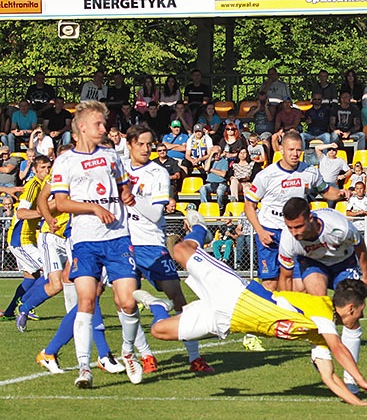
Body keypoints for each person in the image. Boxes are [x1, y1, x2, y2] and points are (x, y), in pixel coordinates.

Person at [147, 213, 367, 405]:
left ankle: (157, 305)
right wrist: (361, 380)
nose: (361, 316)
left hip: (227, 321)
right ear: (349, 307)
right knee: (179, 250)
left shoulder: (322, 334)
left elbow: (329, 377)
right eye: (360, 311)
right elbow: (339, 348)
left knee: (159, 330)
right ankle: (200, 229)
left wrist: (357, 402)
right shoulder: (322, 310)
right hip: (233, 292)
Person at [49, 100, 143, 388]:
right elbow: (61, 203)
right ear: (82, 127)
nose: (104, 129)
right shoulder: (65, 161)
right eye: (99, 124)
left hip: (117, 237)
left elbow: (123, 184)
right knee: (86, 300)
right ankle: (84, 368)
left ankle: (127, 351)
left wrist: (127, 194)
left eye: (105, 124)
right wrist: (93, 208)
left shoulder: (111, 155)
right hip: (86, 240)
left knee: (128, 301)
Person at [122, 124, 214, 373]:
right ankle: (145, 355)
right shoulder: (118, 168)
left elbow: (154, 213)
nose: (146, 149)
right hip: (123, 243)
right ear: (129, 144)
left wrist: (131, 195)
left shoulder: (157, 172)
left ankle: (194, 357)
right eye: (140, 144)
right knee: (126, 303)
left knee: (178, 298)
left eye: (149, 144)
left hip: (151, 244)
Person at [277, 197, 367, 394]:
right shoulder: (288, 240)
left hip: (344, 263)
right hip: (313, 264)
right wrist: (285, 308)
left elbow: (360, 247)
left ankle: (350, 380)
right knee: (319, 308)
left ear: (310, 218)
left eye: (298, 226)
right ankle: (320, 352)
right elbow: (286, 277)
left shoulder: (339, 227)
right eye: (290, 227)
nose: (294, 233)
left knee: (351, 317)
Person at [243, 130, 344, 291]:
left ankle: (292, 314)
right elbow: (249, 205)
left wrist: (340, 193)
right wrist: (260, 231)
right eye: (291, 149)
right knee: (271, 283)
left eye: (298, 150)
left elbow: (325, 191)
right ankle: (272, 315)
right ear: (281, 149)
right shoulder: (266, 175)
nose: (295, 154)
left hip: (294, 233)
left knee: (299, 285)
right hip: (270, 231)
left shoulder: (310, 172)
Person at [6, 155, 52, 328]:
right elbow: (21, 213)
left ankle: (10, 311)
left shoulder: (44, 185)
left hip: (28, 238)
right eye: (43, 168)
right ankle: (24, 304)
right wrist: (44, 213)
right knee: (49, 271)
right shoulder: (33, 186)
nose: (47, 171)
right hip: (20, 240)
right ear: (34, 170)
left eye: (49, 167)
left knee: (31, 276)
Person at [199, 146, 230, 211]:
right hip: (210, 183)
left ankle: (220, 208)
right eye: (214, 153)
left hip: (221, 183)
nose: (216, 155)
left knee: (220, 191)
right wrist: (211, 155)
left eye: (217, 153)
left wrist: (211, 169)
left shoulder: (224, 162)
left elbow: (223, 174)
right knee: (202, 189)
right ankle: (205, 206)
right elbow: (206, 169)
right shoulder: (209, 161)